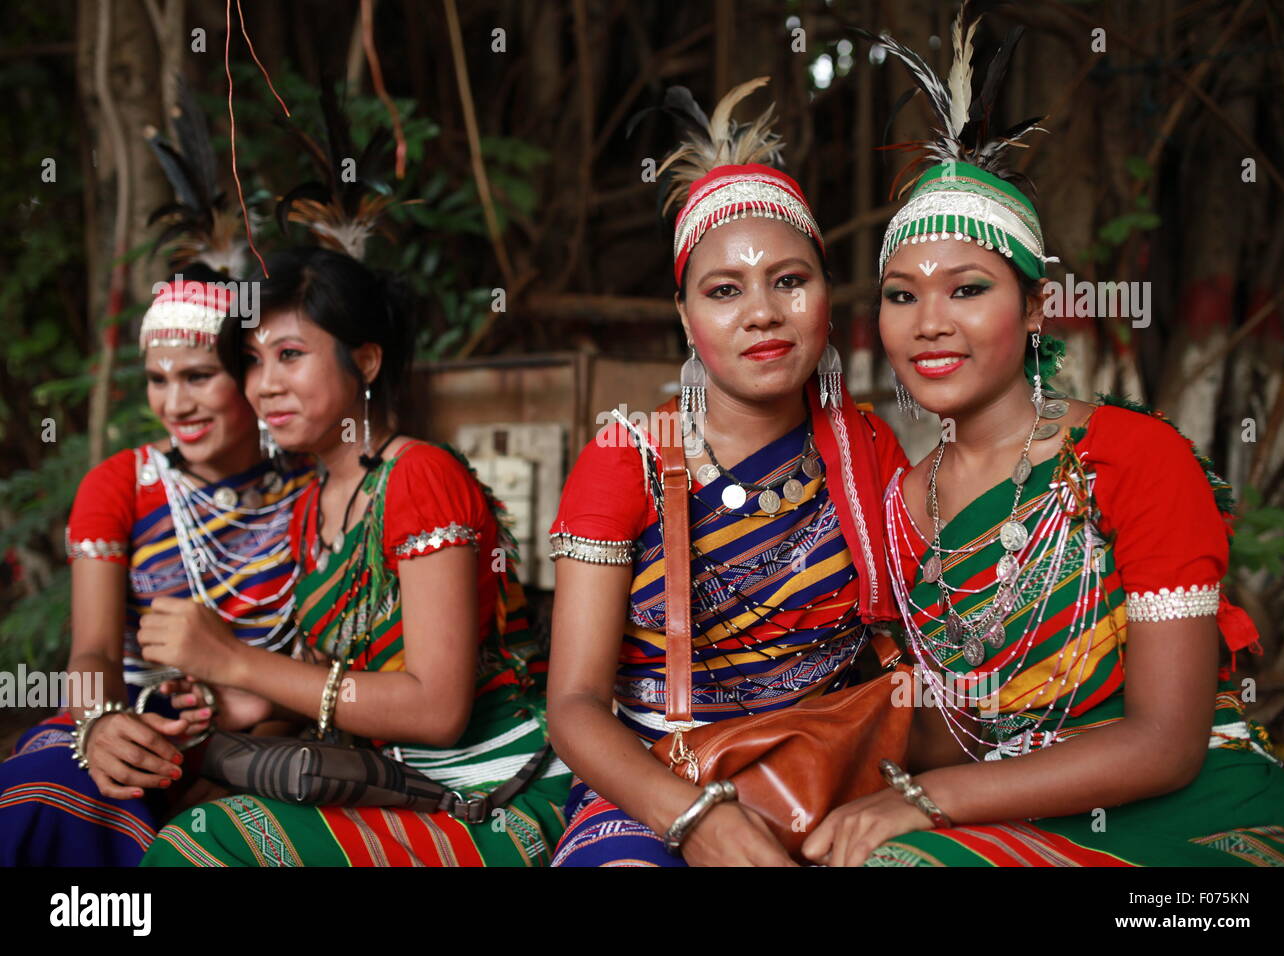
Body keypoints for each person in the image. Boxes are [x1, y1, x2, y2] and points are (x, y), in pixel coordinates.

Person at [802, 13, 1284, 867]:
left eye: (967, 289)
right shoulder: (897, 503)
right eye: (900, 295)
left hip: (1194, 812)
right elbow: (953, 732)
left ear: (1034, 311)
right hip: (1006, 813)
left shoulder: (1132, 458)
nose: (930, 324)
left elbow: (1166, 743)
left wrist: (924, 803)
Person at [545, 78, 912, 867]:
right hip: (650, 782)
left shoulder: (867, 450)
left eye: (790, 280)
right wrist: (695, 820)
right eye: (723, 290)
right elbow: (573, 707)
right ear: (685, 316)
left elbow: (917, 650)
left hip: (824, 770)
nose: (762, 312)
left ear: (824, 296)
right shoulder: (626, 459)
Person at [140, 247, 568, 867]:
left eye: (290, 355)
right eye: (253, 362)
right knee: (185, 805)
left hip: (489, 787)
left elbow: (437, 709)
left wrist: (234, 660)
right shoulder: (310, 505)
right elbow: (324, 676)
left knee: (204, 843)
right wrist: (237, 703)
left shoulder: (420, 478)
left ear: (365, 361)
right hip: (386, 778)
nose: (264, 385)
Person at [0, 275, 310, 866]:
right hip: (134, 719)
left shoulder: (311, 486)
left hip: (274, 729)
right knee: (45, 795)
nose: (175, 404)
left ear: (248, 373)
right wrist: (99, 726)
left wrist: (253, 757)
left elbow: (329, 663)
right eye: (157, 380)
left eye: (198, 376)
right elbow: (92, 653)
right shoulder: (118, 485)